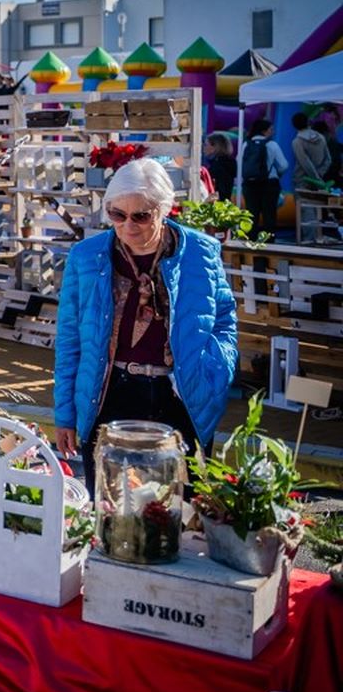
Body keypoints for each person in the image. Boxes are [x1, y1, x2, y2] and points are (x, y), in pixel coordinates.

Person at [54, 159, 238, 492]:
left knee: (182, 507)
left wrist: (217, 367)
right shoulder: (87, 256)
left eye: (140, 215)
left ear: (164, 210)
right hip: (110, 394)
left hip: (181, 395)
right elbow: (69, 340)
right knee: (111, 508)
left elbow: (224, 316)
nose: (127, 226)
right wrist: (65, 414)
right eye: (117, 214)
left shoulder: (201, 252)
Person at [240, 120, 286, 238]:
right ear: (264, 131)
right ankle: (268, 244)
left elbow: (239, 163)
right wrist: (277, 173)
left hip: (250, 184)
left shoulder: (246, 144)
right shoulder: (272, 144)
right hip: (269, 184)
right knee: (269, 215)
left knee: (251, 214)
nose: (272, 132)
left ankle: (250, 242)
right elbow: (284, 165)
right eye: (271, 129)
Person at [292, 112, 333, 188]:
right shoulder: (321, 137)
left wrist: (315, 178)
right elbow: (328, 159)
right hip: (319, 182)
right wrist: (319, 174)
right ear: (308, 122)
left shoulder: (297, 141)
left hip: (302, 180)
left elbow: (305, 162)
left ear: (294, 125)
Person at [204, 134, 237, 202]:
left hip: (218, 201)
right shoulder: (229, 162)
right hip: (226, 200)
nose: (203, 147)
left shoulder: (217, 165)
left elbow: (219, 188)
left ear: (214, 147)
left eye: (206, 145)